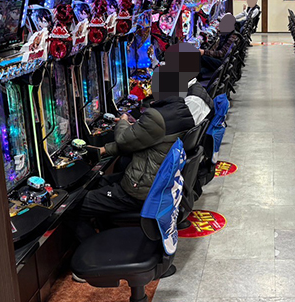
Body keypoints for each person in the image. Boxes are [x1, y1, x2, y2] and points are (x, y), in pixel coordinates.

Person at [72, 43, 213, 256]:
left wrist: (122, 120)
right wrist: (103, 150)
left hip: (142, 189)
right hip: (158, 181)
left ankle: (97, 253)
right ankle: (109, 235)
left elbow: (125, 140)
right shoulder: (181, 108)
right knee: (101, 181)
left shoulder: (157, 116)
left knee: (76, 206)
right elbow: (142, 139)